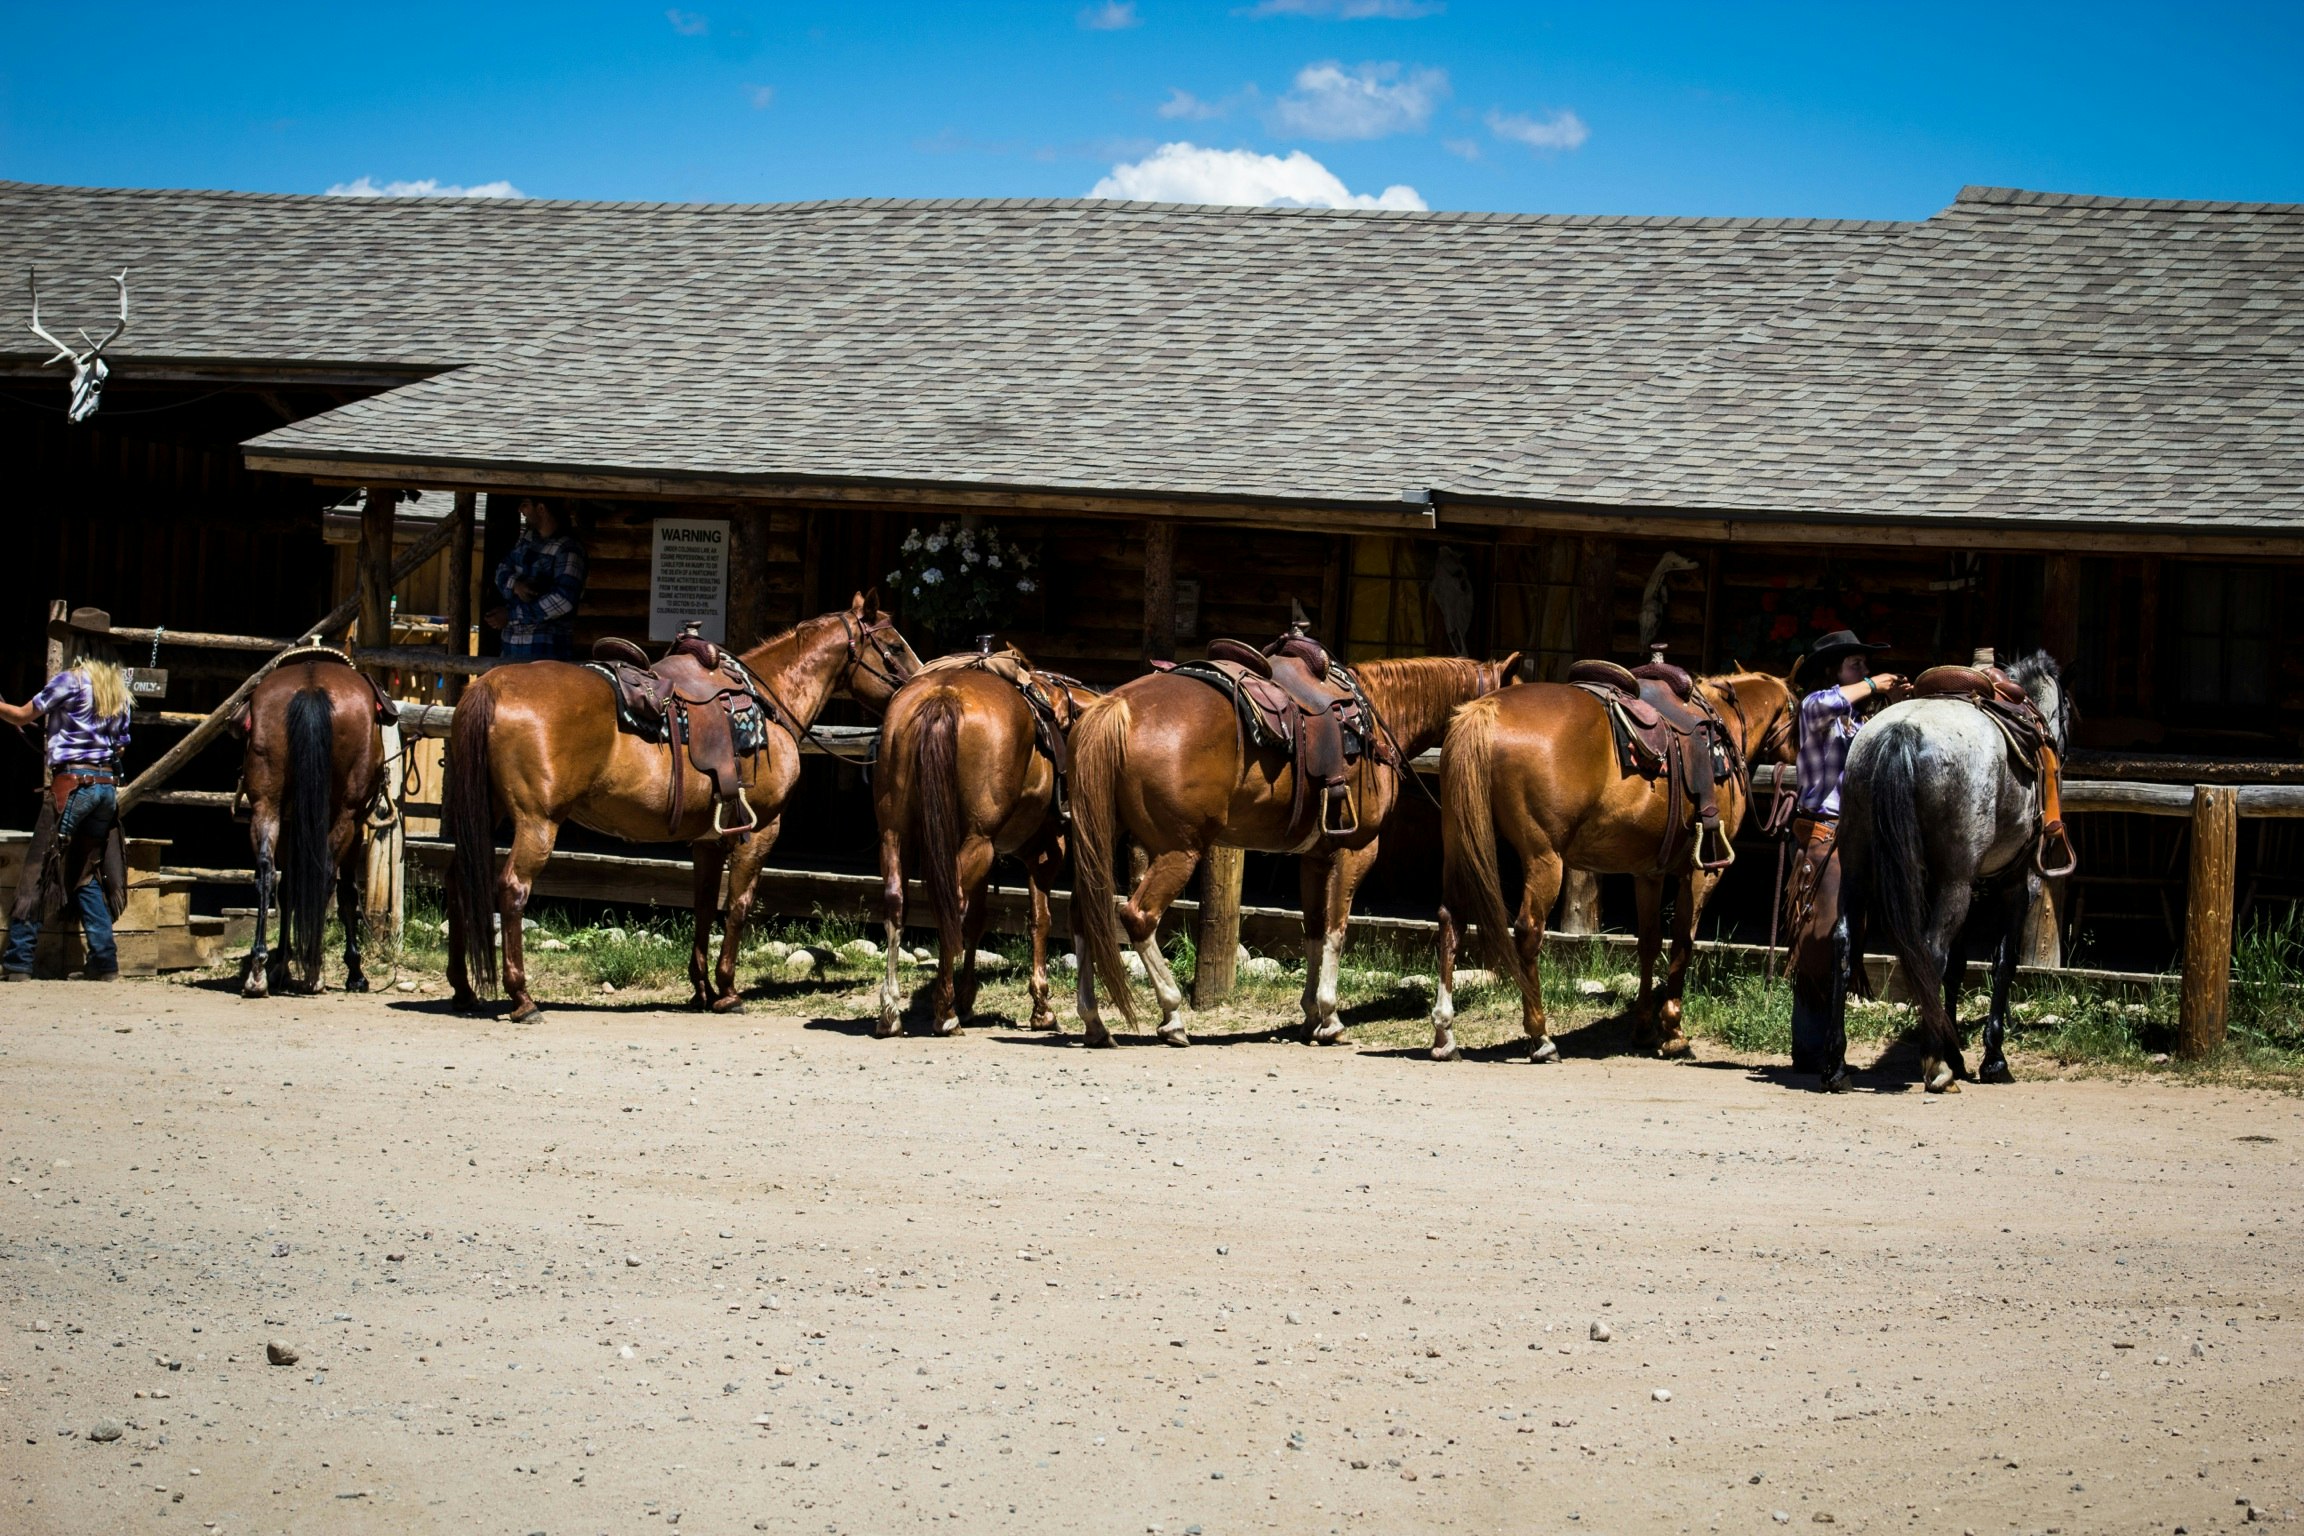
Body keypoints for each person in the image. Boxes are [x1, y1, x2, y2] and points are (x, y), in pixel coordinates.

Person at [1783, 628, 1909, 1075]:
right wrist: (1876, 685)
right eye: (1856, 664)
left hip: (1850, 837)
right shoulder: (1815, 705)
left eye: (1865, 665)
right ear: (1833, 671)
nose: (1865, 670)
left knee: (1843, 942)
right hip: (1822, 833)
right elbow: (1830, 703)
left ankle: (1824, 1046)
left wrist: (1892, 702)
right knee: (1817, 943)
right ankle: (1809, 1050)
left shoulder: (1856, 721)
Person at [2, 607, 134, 981]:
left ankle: (18, 961)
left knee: (39, 869)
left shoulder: (70, 681)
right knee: (86, 873)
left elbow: (22, 715)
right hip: (104, 788)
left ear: (77, 643)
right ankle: (104, 961)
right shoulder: (118, 689)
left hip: (72, 786)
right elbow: (121, 746)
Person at [486, 497, 588, 661]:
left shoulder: (568, 550)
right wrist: (516, 585)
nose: (521, 510)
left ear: (541, 508)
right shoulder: (526, 540)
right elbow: (501, 570)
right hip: (511, 649)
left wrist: (511, 615)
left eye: (525, 505)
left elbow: (562, 601)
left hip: (546, 653)